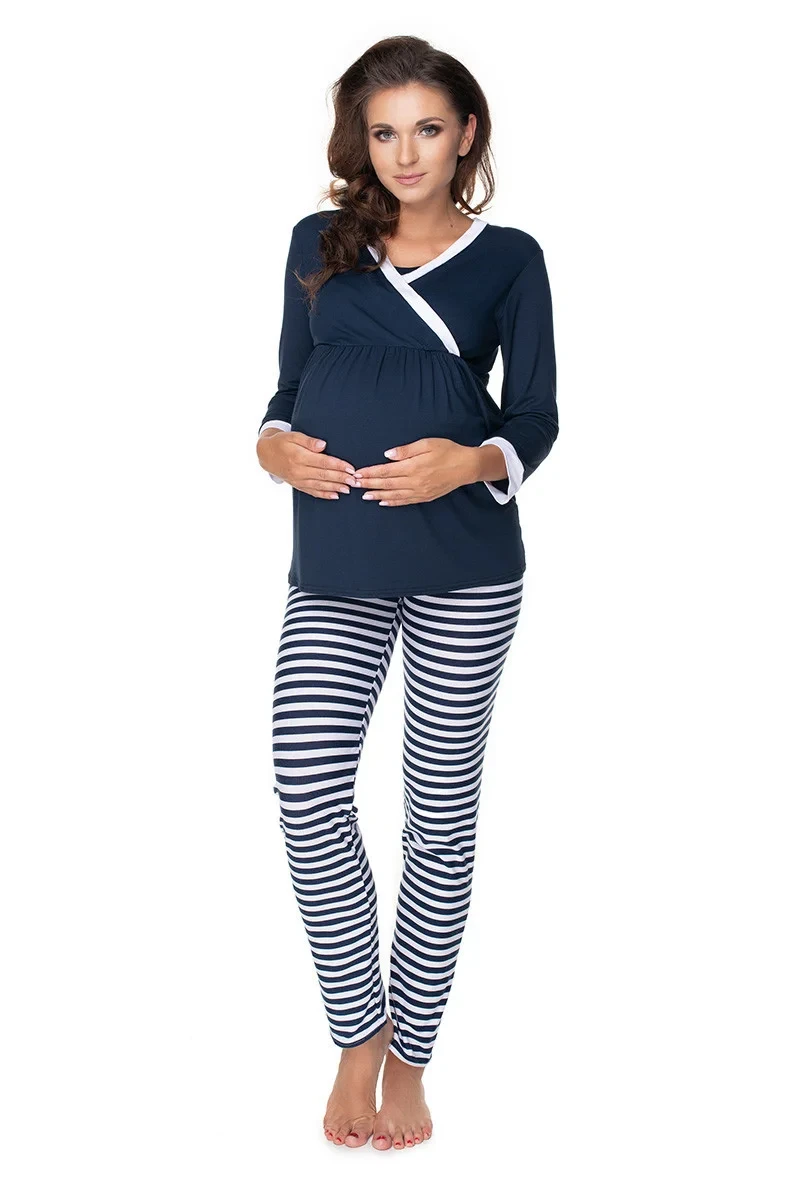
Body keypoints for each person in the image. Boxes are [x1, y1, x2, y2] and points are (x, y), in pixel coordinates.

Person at [256, 35, 558, 1151]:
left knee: (437, 815)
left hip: (464, 571)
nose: (405, 152)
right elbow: (286, 389)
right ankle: (358, 1032)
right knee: (306, 787)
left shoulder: (508, 258)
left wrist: (467, 462)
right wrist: (270, 447)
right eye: (383, 132)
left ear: (465, 132)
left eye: (427, 128)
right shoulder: (318, 241)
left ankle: (412, 1056)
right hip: (336, 564)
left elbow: (535, 417)